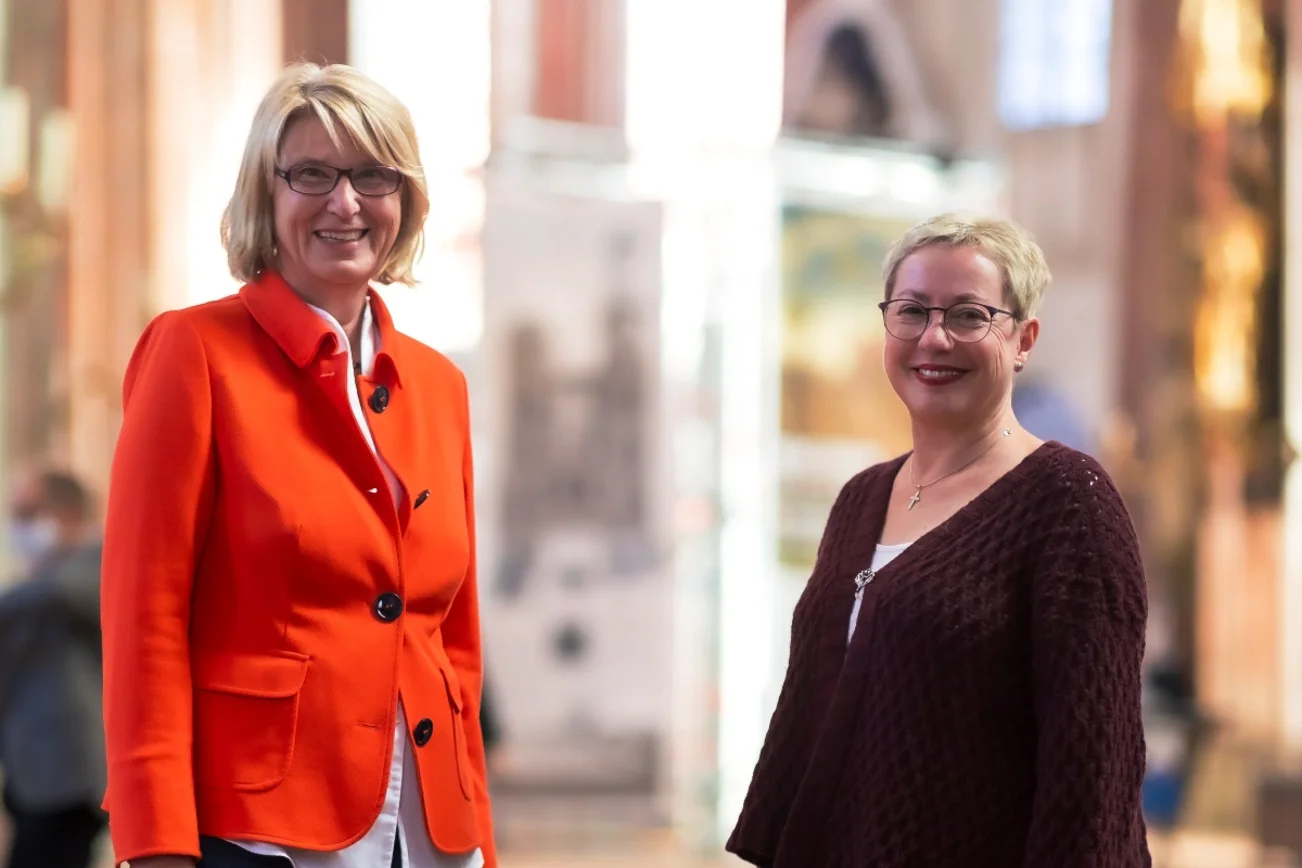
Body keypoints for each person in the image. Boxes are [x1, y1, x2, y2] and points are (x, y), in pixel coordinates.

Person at [100, 63, 496, 868]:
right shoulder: (194, 353)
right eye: (312, 173)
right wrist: (156, 845)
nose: (344, 203)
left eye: (372, 176)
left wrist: (476, 832)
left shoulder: (440, 385)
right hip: (258, 829)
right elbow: (145, 621)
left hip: (428, 837)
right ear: (265, 193)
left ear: (405, 200)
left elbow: (453, 645)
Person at [727, 214, 1151, 866]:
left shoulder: (1067, 503)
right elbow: (809, 715)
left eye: (968, 316)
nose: (934, 337)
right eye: (912, 311)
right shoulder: (861, 499)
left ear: (1022, 338)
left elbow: (1094, 767)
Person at [0, 470, 106, 868]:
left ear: (66, 514)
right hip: (31, 775)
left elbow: (63, 592)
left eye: (30, 513)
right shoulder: (41, 577)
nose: (21, 526)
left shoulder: (91, 563)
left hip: (68, 776)